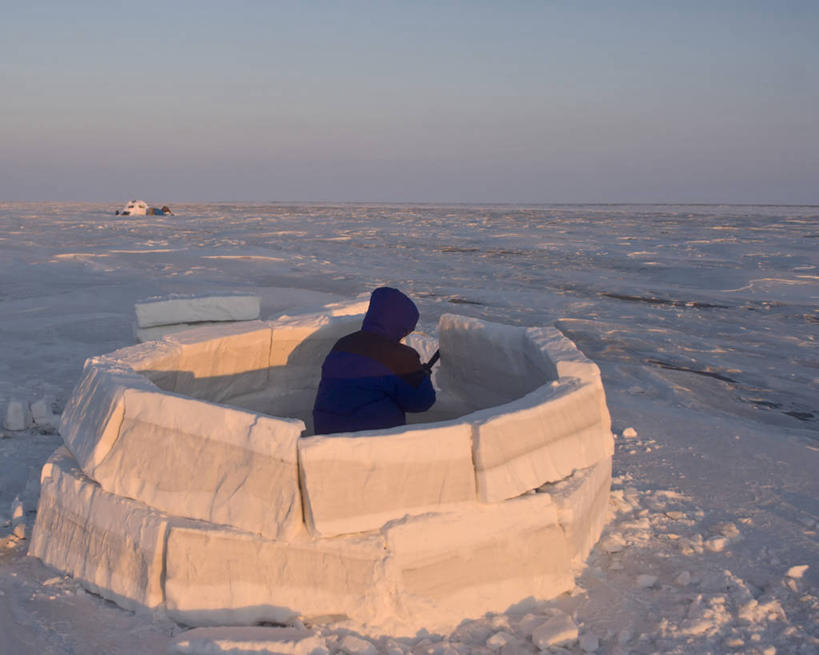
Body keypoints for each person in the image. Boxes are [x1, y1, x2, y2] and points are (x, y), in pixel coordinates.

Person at [312, 287, 436, 435]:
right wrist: (422, 376)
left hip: (325, 436)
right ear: (401, 325)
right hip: (371, 444)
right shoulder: (399, 356)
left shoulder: (343, 344)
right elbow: (421, 401)